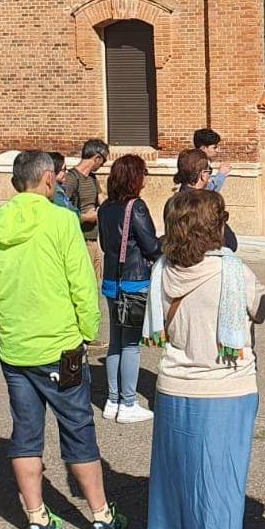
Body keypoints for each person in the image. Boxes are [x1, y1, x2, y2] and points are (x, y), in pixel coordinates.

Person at [0, 150, 127, 529]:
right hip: (61, 345)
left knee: (25, 433)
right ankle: (99, 515)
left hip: (16, 346)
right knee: (77, 426)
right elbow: (82, 282)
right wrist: (88, 330)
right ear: (47, 180)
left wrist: (9, 319)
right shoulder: (62, 220)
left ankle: (35, 517)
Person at [144, 190, 265, 529]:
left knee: (179, 480)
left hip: (175, 385)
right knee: (219, 482)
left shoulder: (162, 269)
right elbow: (262, 308)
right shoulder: (231, 271)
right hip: (225, 386)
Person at [98, 155, 161, 423]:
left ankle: (112, 400)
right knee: (131, 344)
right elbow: (151, 246)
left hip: (112, 280)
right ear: (135, 176)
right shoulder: (136, 207)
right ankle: (129, 401)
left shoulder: (105, 208)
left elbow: (103, 245)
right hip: (134, 280)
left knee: (115, 341)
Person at [63, 139, 109, 282]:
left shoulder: (93, 178)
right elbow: (60, 213)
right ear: (97, 158)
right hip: (80, 240)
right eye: (103, 161)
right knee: (84, 283)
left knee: (95, 285)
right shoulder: (71, 179)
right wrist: (84, 217)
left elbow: (103, 201)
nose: (102, 165)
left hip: (94, 240)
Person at [173, 148, 238, 250]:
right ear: (203, 174)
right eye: (209, 171)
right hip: (203, 260)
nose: (209, 175)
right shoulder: (207, 204)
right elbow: (231, 243)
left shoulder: (172, 202)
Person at [194, 127, 232, 193]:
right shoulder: (197, 165)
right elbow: (207, 193)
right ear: (203, 148)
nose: (217, 150)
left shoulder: (200, 161)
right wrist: (221, 174)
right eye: (214, 147)